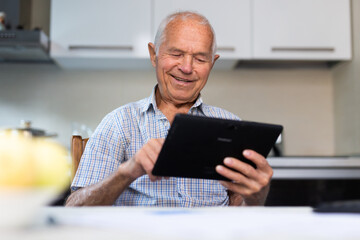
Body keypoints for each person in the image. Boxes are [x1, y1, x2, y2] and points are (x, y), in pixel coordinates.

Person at [66, 11, 273, 207]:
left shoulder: (232, 128)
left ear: (212, 63)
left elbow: (239, 214)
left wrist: (255, 198)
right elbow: (74, 208)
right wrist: (126, 173)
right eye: (176, 54)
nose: (186, 67)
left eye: (200, 59)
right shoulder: (119, 123)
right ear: (153, 54)